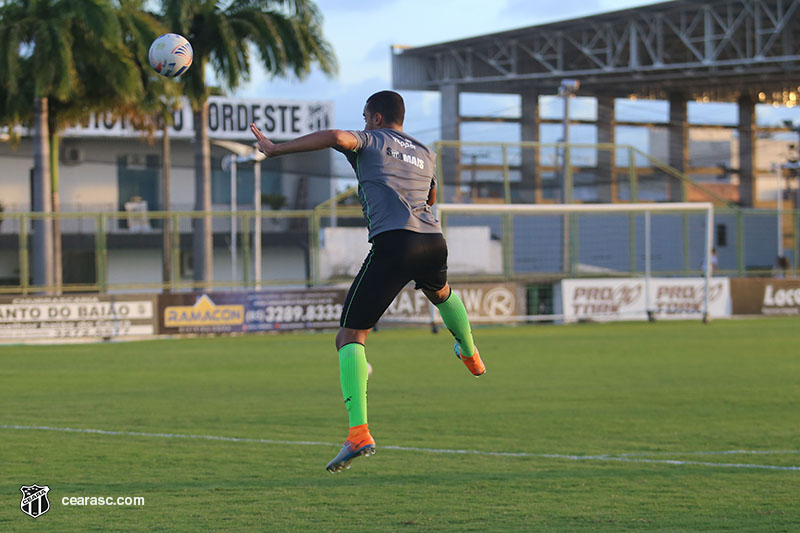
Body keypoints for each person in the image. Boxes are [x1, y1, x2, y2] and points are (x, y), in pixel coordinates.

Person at [250, 90, 485, 474]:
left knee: (350, 336)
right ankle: (470, 353)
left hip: (395, 243)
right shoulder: (425, 152)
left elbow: (336, 138)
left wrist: (276, 150)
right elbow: (431, 194)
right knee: (441, 293)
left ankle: (358, 433)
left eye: (364, 117)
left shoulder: (370, 140)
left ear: (376, 118)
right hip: (433, 240)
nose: (361, 123)